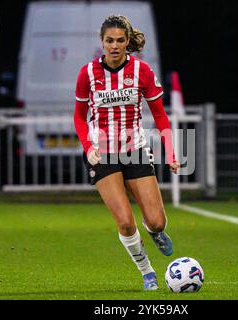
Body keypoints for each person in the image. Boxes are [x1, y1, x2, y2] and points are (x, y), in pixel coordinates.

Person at [74, 15, 180, 291]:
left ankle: (155, 232)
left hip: (134, 150)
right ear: (102, 42)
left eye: (120, 40)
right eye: (109, 40)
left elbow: (159, 115)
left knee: (157, 220)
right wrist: (88, 147)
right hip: (103, 154)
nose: (115, 46)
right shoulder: (87, 74)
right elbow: (78, 116)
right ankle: (147, 272)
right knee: (124, 222)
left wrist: (170, 151)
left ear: (127, 42)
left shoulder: (142, 71)